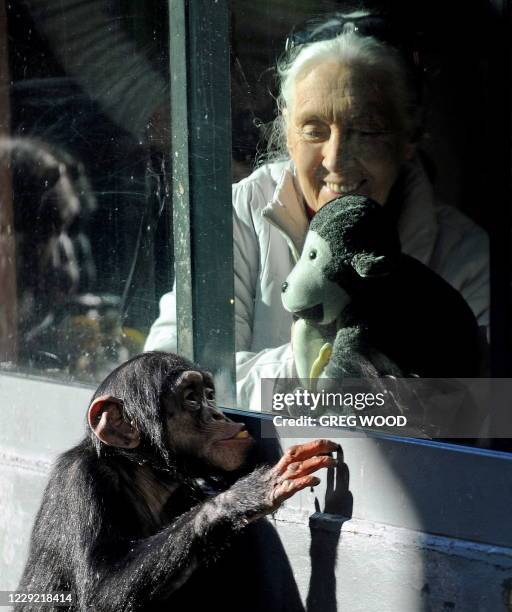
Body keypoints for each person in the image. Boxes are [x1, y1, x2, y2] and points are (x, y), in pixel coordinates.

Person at [145, 11, 489, 410]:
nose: (337, 159)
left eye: (368, 131)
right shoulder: (240, 214)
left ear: (407, 139)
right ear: (287, 133)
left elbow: (488, 408)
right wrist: (318, 368)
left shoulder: (465, 252)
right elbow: (166, 378)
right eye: (314, 130)